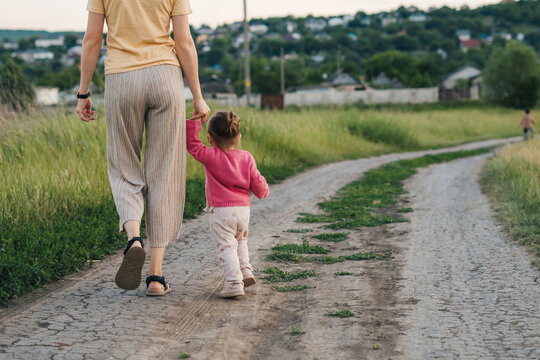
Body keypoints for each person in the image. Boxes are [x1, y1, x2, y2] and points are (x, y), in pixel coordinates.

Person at [75, 0, 210, 296]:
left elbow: (92, 39)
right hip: (165, 76)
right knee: (164, 172)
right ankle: (156, 276)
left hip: (122, 79)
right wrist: (198, 96)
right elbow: (184, 42)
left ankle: (134, 238)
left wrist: (83, 92)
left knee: (124, 166)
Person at [186, 111, 269, 298]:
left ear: (210, 138)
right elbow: (257, 183)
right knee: (240, 240)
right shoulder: (246, 157)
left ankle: (234, 283)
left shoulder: (210, 156)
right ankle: (246, 270)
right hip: (243, 211)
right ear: (238, 137)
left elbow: (193, 146)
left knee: (226, 247)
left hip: (222, 211)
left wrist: (194, 123)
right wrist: (264, 190)